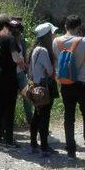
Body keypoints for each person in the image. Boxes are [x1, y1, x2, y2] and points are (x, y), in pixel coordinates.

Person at [53, 15, 85, 158]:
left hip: (65, 83)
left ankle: (70, 148)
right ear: (79, 27)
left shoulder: (56, 41)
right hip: (82, 83)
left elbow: (56, 59)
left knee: (69, 116)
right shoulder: (84, 40)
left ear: (65, 26)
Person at [0, 14, 25, 149]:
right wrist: (22, 63)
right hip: (8, 78)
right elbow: (16, 57)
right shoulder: (10, 39)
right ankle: (9, 140)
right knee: (9, 110)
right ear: (14, 28)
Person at [28, 22, 59, 157]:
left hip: (36, 85)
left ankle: (34, 143)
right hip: (45, 87)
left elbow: (30, 71)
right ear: (47, 35)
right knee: (44, 116)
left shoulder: (35, 49)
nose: (53, 35)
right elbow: (50, 70)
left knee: (37, 115)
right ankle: (44, 146)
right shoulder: (44, 50)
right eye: (51, 33)